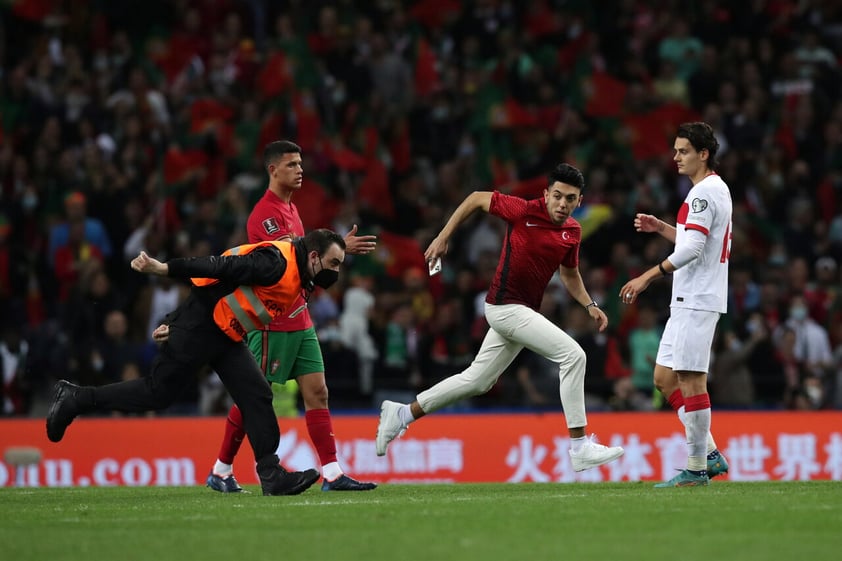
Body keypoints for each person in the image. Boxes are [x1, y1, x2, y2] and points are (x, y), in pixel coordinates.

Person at [46, 228, 347, 496]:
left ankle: (271, 474)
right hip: (204, 327)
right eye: (334, 264)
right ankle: (75, 398)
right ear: (315, 257)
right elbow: (218, 266)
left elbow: (222, 286)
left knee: (257, 394)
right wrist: (164, 269)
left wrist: (176, 320)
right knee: (157, 393)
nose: (335, 272)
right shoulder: (275, 263)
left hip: (224, 333)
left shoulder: (296, 266)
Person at [375, 163, 625, 472]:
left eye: (570, 199)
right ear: (546, 194)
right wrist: (443, 237)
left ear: (579, 201)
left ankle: (401, 414)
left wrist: (590, 305)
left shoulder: (572, 231)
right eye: (558, 196)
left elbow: (570, 274)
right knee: (574, 355)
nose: (563, 204)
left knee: (477, 380)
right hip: (505, 307)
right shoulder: (522, 210)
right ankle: (579, 445)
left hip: (521, 313)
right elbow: (476, 198)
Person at [205, 140, 377, 492]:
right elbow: (292, 266)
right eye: (292, 164)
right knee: (253, 395)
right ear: (272, 170)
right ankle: (221, 469)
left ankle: (332, 473)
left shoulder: (291, 210)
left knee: (318, 392)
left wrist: (336, 249)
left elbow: (308, 260)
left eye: (300, 163)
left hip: (300, 316)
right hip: (274, 320)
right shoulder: (264, 217)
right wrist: (335, 251)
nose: (300, 170)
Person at [620, 122, 731, 487]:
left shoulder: (702, 194)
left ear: (703, 154)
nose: (676, 157)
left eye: (683, 150)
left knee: (692, 381)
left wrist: (648, 275)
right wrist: (663, 228)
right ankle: (710, 453)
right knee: (664, 379)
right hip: (690, 299)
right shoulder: (712, 190)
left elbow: (694, 248)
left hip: (696, 299)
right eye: (675, 150)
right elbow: (697, 238)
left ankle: (697, 468)